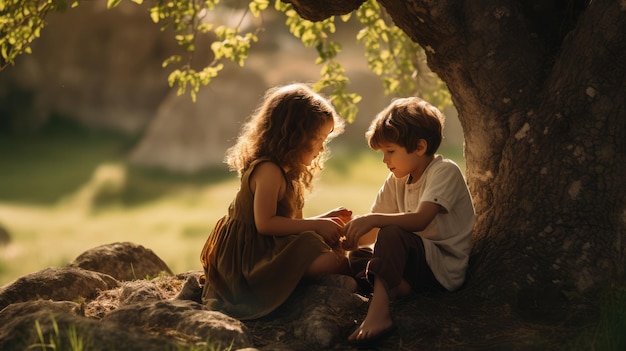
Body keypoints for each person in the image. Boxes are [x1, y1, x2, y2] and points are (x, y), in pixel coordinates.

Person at [200, 83, 352, 320]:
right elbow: (266, 224)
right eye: (317, 139)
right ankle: (338, 279)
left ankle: (335, 276)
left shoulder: (292, 172)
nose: (322, 147)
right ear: (293, 135)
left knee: (331, 241)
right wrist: (317, 226)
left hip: (271, 244)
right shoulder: (268, 170)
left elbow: (294, 226)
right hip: (250, 258)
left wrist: (324, 220)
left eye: (325, 140)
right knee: (327, 257)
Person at [342, 97, 475, 345]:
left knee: (391, 233)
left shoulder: (444, 171)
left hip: (441, 268)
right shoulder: (397, 180)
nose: (385, 160)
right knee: (359, 256)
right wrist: (344, 234)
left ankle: (380, 311)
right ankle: (400, 288)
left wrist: (373, 220)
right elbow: (370, 236)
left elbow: (420, 220)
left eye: (390, 151)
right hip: (411, 264)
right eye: (383, 153)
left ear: (420, 147)